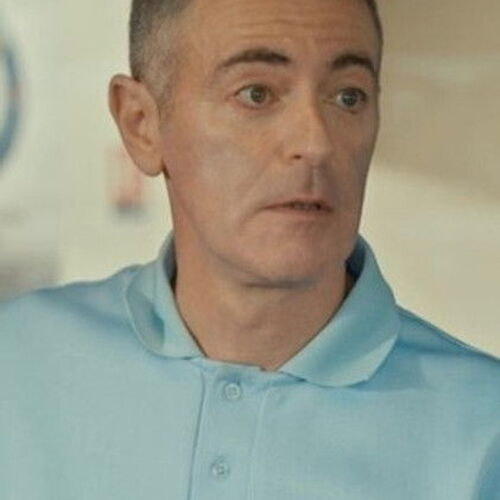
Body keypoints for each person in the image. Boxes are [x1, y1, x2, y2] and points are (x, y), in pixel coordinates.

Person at [1, 0, 499, 498]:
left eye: (349, 97)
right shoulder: (18, 363)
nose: (316, 143)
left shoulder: (481, 428)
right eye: (256, 94)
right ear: (140, 123)